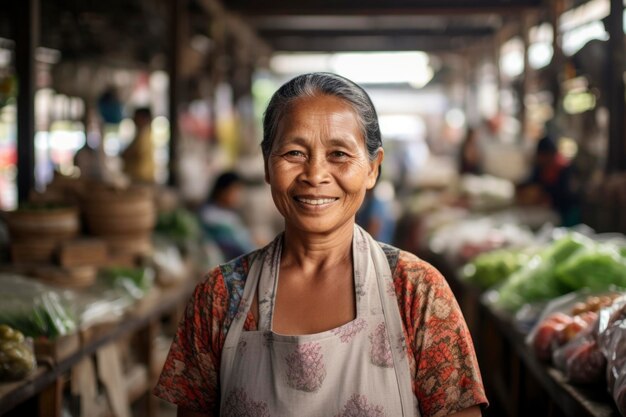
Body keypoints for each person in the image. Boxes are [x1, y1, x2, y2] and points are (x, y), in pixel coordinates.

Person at [154, 73, 487, 417]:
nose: (315, 174)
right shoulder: (219, 298)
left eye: (339, 154)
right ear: (268, 164)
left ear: (373, 168)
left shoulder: (417, 292)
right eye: (294, 152)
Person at [517, 135, 579, 226]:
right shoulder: (540, 168)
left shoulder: (564, 169)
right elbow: (529, 183)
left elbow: (566, 197)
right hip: (543, 210)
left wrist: (545, 197)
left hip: (562, 215)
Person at [199, 171, 256, 261]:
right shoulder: (211, 217)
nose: (238, 196)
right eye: (235, 191)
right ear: (222, 191)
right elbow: (240, 247)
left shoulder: (228, 213)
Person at [121, 107, 155, 183]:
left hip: (143, 180)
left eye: (136, 117)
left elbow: (133, 152)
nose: (134, 120)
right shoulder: (141, 134)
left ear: (144, 118)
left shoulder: (145, 135)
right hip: (140, 179)